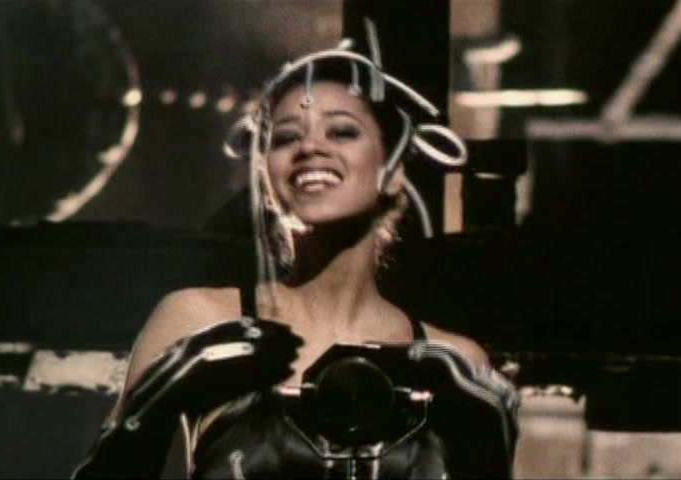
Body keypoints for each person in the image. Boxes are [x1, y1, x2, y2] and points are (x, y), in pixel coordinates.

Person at [73, 26, 518, 480]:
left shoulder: (454, 360)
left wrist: (490, 446)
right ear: (266, 180)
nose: (310, 148)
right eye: (286, 138)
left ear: (393, 171)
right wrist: (154, 405)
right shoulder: (199, 321)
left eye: (342, 131)